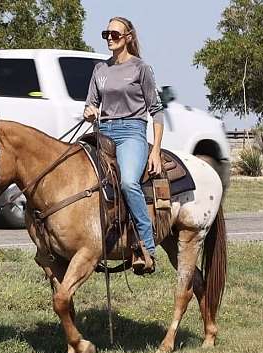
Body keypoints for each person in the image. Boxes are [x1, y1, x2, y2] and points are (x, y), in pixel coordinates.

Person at [83, 16, 164, 274]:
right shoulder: (100, 69)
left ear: (128, 37)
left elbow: (157, 111)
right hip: (103, 132)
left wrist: (156, 150)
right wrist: (89, 111)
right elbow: (90, 103)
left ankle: (146, 246)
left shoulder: (141, 68)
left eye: (115, 34)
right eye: (106, 33)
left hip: (131, 132)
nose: (109, 38)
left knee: (129, 182)